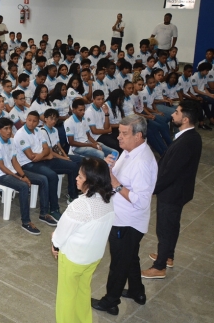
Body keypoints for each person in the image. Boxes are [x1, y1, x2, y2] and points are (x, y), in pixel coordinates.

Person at [92, 115, 158, 315]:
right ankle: (138, 292)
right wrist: (110, 168)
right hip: (121, 216)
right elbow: (119, 177)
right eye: (119, 132)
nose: (118, 137)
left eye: (124, 133)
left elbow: (141, 200)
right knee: (130, 257)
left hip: (128, 222)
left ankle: (110, 301)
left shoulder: (142, 162)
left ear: (138, 136)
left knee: (119, 262)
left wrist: (116, 184)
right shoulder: (130, 151)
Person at [52, 157, 115, 323]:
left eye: (80, 176)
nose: (76, 178)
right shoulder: (107, 200)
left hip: (74, 258)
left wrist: (55, 245)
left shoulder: (80, 206)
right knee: (83, 291)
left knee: (66, 296)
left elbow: (62, 231)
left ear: (92, 182)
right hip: (93, 257)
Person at [143, 101, 202, 279]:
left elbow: (170, 172)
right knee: (172, 225)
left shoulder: (186, 141)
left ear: (185, 119)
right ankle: (168, 256)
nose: (172, 115)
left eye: (176, 112)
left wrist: (152, 189)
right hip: (178, 190)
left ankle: (159, 266)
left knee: (165, 228)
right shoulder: (191, 136)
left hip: (172, 191)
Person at [0, 117, 52, 235]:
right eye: (5, 128)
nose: (9, 131)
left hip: (13, 171)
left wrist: (22, 174)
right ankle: (26, 222)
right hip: (2, 175)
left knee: (43, 179)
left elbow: (15, 162)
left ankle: (43, 213)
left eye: (10, 128)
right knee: (23, 186)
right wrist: (21, 178)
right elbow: (2, 167)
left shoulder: (11, 141)